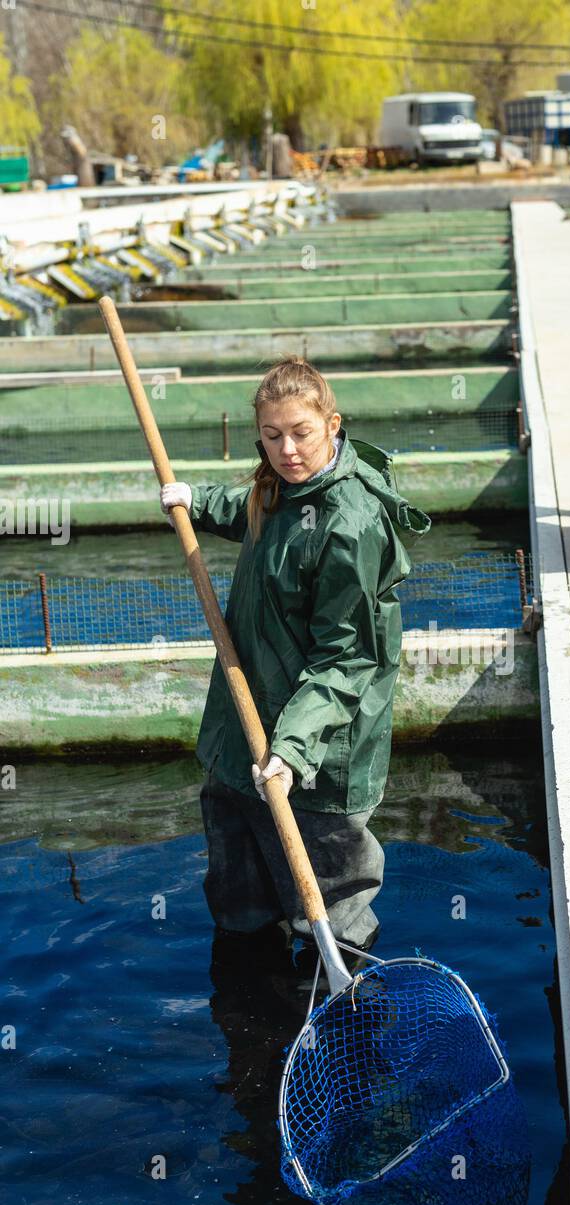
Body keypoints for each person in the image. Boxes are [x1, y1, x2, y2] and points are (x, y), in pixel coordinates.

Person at [160, 358, 431, 962]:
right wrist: (194, 502)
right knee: (241, 907)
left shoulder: (349, 524)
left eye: (301, 433)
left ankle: (352, 988)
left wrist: (292, 748)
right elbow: (252, 509)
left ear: (332, 425)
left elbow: (348, 659)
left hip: (316, 753)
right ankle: (250, 1019)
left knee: (333, 911)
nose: (287, 449)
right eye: (272, 435)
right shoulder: (276, 484)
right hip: (245, 728)